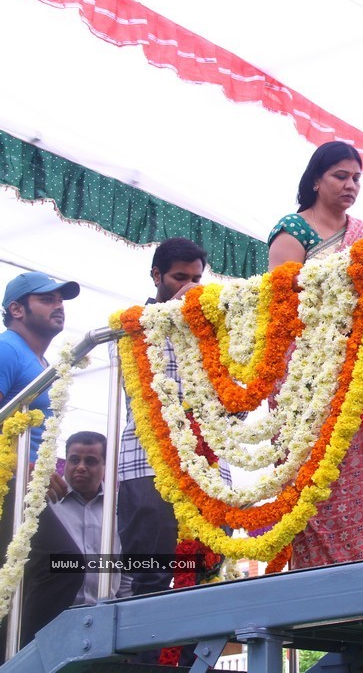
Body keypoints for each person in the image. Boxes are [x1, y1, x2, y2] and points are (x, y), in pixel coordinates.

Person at [268, 141, 363, 567]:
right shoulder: (293, 232)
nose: (351, 185)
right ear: (316, 180)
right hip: (306, 377)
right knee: (315, 479)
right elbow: (284, 310)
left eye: (357, 177)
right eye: (341, 175)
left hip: (355, 376)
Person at [115, 239, 231, 602]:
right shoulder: (129, 326)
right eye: (179, 278)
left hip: (211, 467)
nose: (189, 287)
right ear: (155, 276)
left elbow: (237, 408)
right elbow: (145, 394)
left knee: (204, 574)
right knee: (150, 577)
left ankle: (191, 661)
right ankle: (146, 659)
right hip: (149, 464)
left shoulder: (212, 330)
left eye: (196, 279)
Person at [0, 271, 79, 658]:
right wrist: (25, 467)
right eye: (46, 299)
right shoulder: (7, 349)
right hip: (7, 484)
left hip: (22, 488)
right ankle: (25, 661)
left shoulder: (39, 358)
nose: (58, 305)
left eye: (60, 299)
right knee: (62, 564)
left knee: (25, 577)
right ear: (16, 309)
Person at [21, 432, 131, 645]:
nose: (81, 467)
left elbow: (125, 576)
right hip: (48, 624)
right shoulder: (41, 499)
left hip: (103, 627)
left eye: (90, 461)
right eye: (74, 460)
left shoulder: (120, 509)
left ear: (106, 466)